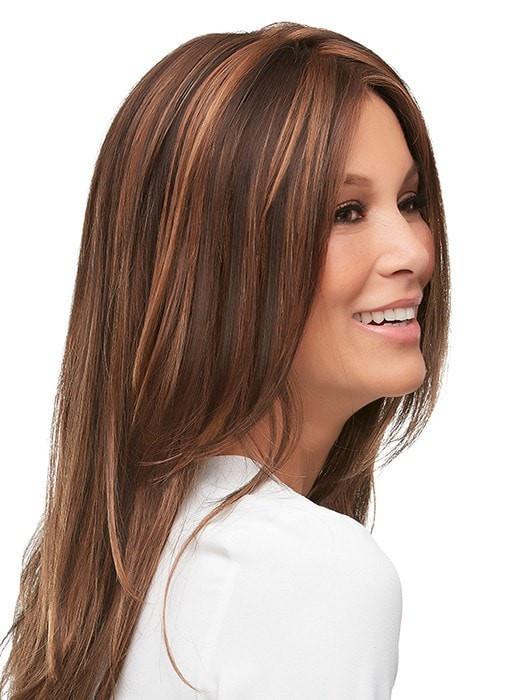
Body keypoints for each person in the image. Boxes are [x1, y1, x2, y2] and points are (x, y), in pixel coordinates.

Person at [1, 21, 450, 700]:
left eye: (410, 202)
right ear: (216, 266)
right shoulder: (306, 571)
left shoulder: (123, 577)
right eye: (345, 212)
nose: (413, 252)